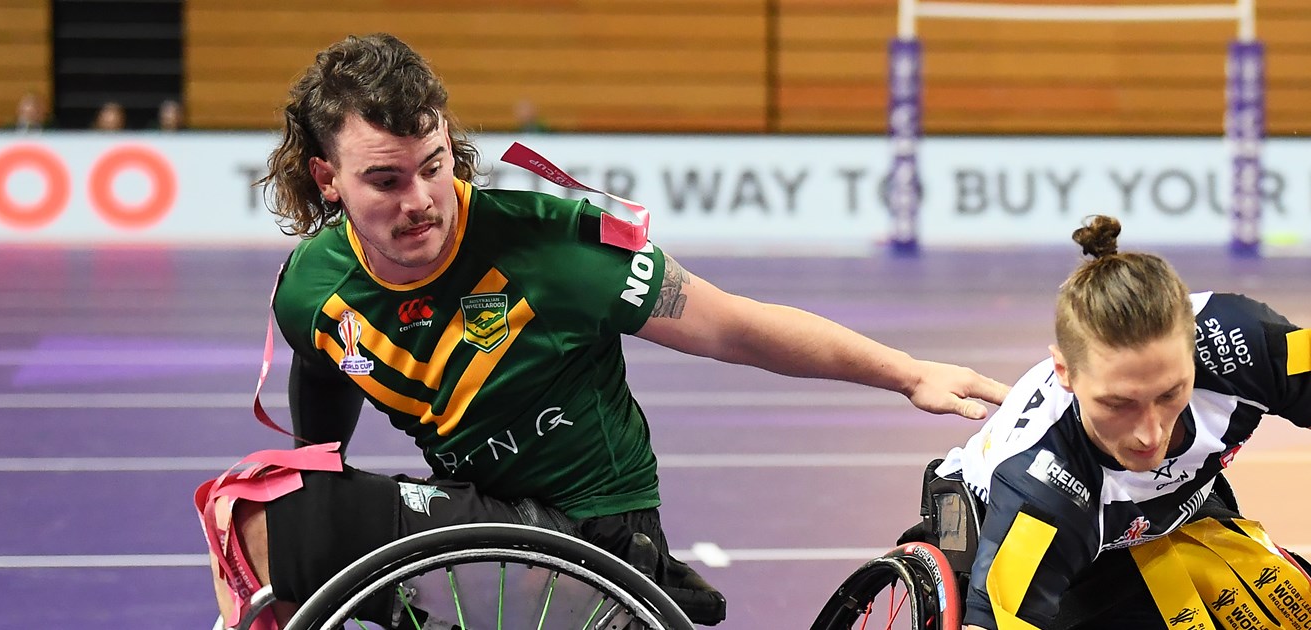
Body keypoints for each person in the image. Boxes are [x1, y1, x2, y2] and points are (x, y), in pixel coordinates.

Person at [197, 33, 1010, 630]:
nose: (422, 200)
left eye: (436, 164)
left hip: (591, 536)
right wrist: (321, 470)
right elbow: (324, 362)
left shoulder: (554, 248)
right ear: (326, 178)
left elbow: (737, 328)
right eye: (386, 178)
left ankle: (645, 590)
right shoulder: (312, 286)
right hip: (477, 519)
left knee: (255, 517)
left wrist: (906, 372)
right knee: (276, 503)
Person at [945, 216, 1311, 630]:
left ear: (1194, 351)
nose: (1150, 434)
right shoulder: (1039, 492)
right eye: (1118, 403)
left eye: (1170, 394)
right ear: (1065, 373)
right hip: (1063, 568)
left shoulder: (1248, 340)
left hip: (1174, 518)